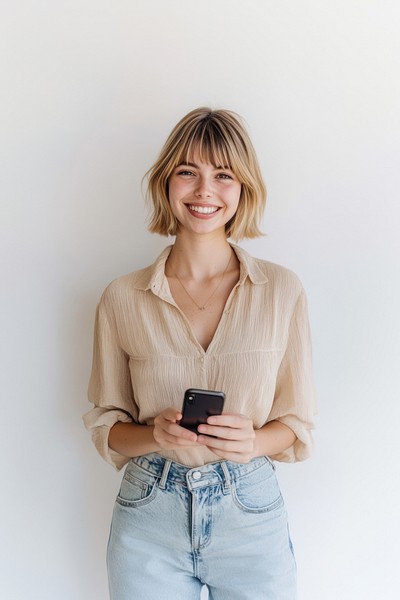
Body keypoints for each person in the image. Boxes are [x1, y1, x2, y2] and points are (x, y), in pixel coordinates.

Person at [83, 107, 316, 600]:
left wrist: (251, 442)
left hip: (250, 515)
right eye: (188, 172)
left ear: (243, 189)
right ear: (167, 183)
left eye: (223, 175)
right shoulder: (122, 297)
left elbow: (296, 422)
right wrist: (155, 434)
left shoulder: (282, 290)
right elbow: (108, 428)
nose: (204, 190)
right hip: (150, 513)